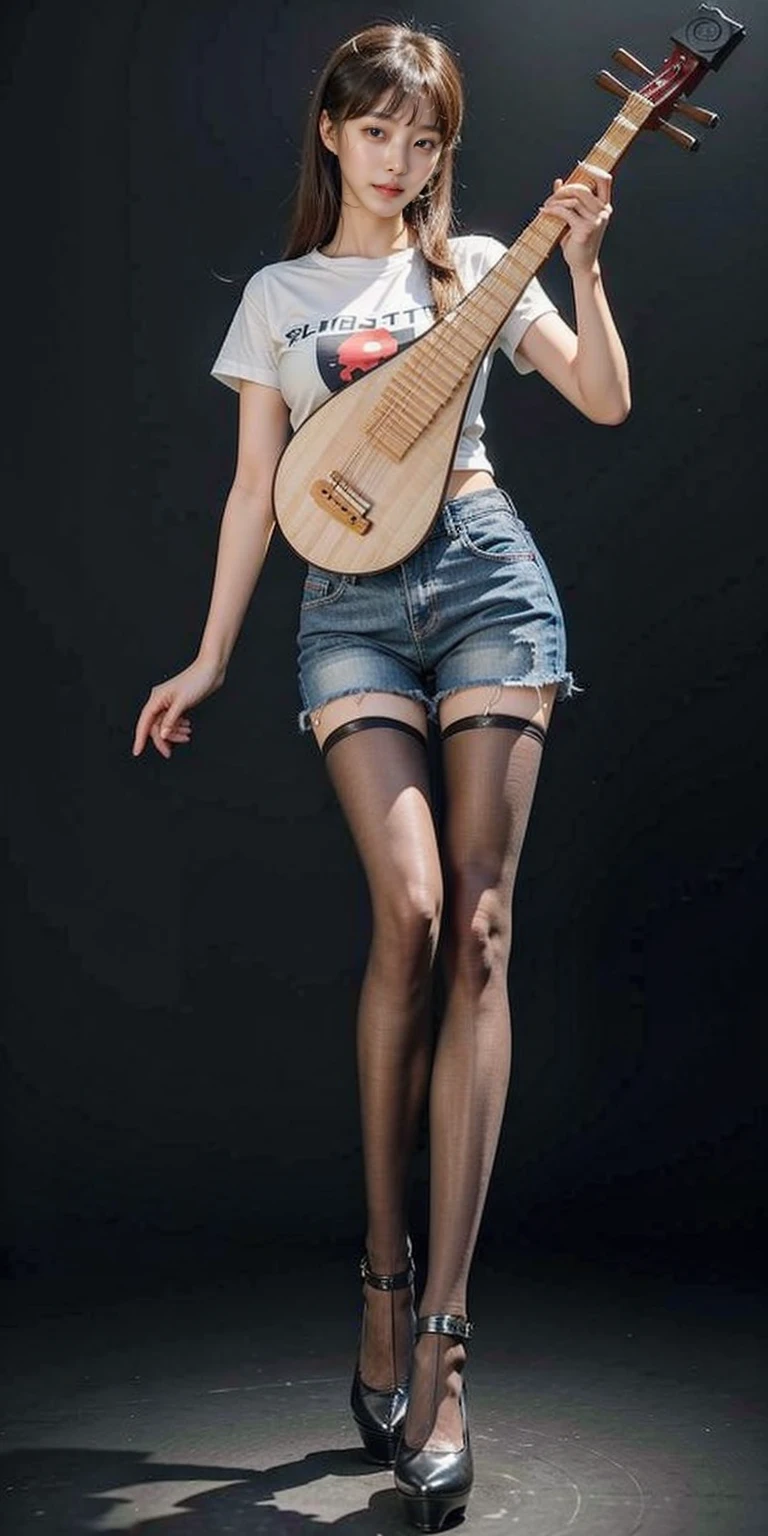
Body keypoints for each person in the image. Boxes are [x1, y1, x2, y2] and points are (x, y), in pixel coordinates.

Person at [132, 21, 630, 1532]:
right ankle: (381, 1271)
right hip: (345, 606)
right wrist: (213, 657)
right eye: (377, 135)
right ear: (333, 135)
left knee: (480, 927)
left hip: (486, 577)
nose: (401, 162)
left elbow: (602, 401)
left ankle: (444, 1348)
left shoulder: (478, 259)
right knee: (406, 913)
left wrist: (586, 266)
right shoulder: (282, 300)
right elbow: (252, 489)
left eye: (426, 141)